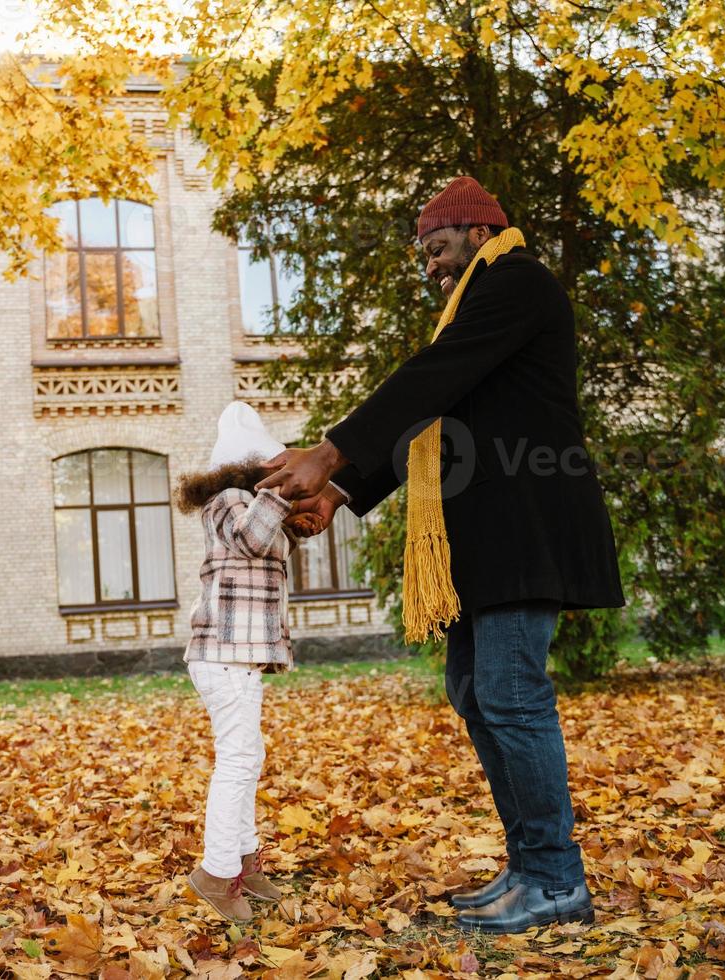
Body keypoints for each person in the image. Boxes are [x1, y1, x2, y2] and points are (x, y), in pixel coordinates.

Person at [256, 177, 625, 933]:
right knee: (475, 692)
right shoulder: (475, 309)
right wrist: (343, 492)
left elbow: (433, 378)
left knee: (511, 695)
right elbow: (434, 416)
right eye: (422, 255)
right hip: (486, 541)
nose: (429, 267)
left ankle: (556, 879)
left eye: (435, 247)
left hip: (527, 529)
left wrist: (329, 453)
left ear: (477, 229)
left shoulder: (517, 282)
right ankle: (530, 868)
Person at [174, 401, 324, 923]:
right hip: (222, 653)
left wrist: (300, 518)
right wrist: (282, 498)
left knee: (247, 756)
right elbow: (252, 538)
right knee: (237, 760)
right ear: (256, 468)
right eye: (277, 468)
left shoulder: (248, 502)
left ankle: (242, 860)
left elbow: (265, 559)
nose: (286, 477)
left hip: (240, 656)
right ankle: (216, 873)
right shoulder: (229, 500)